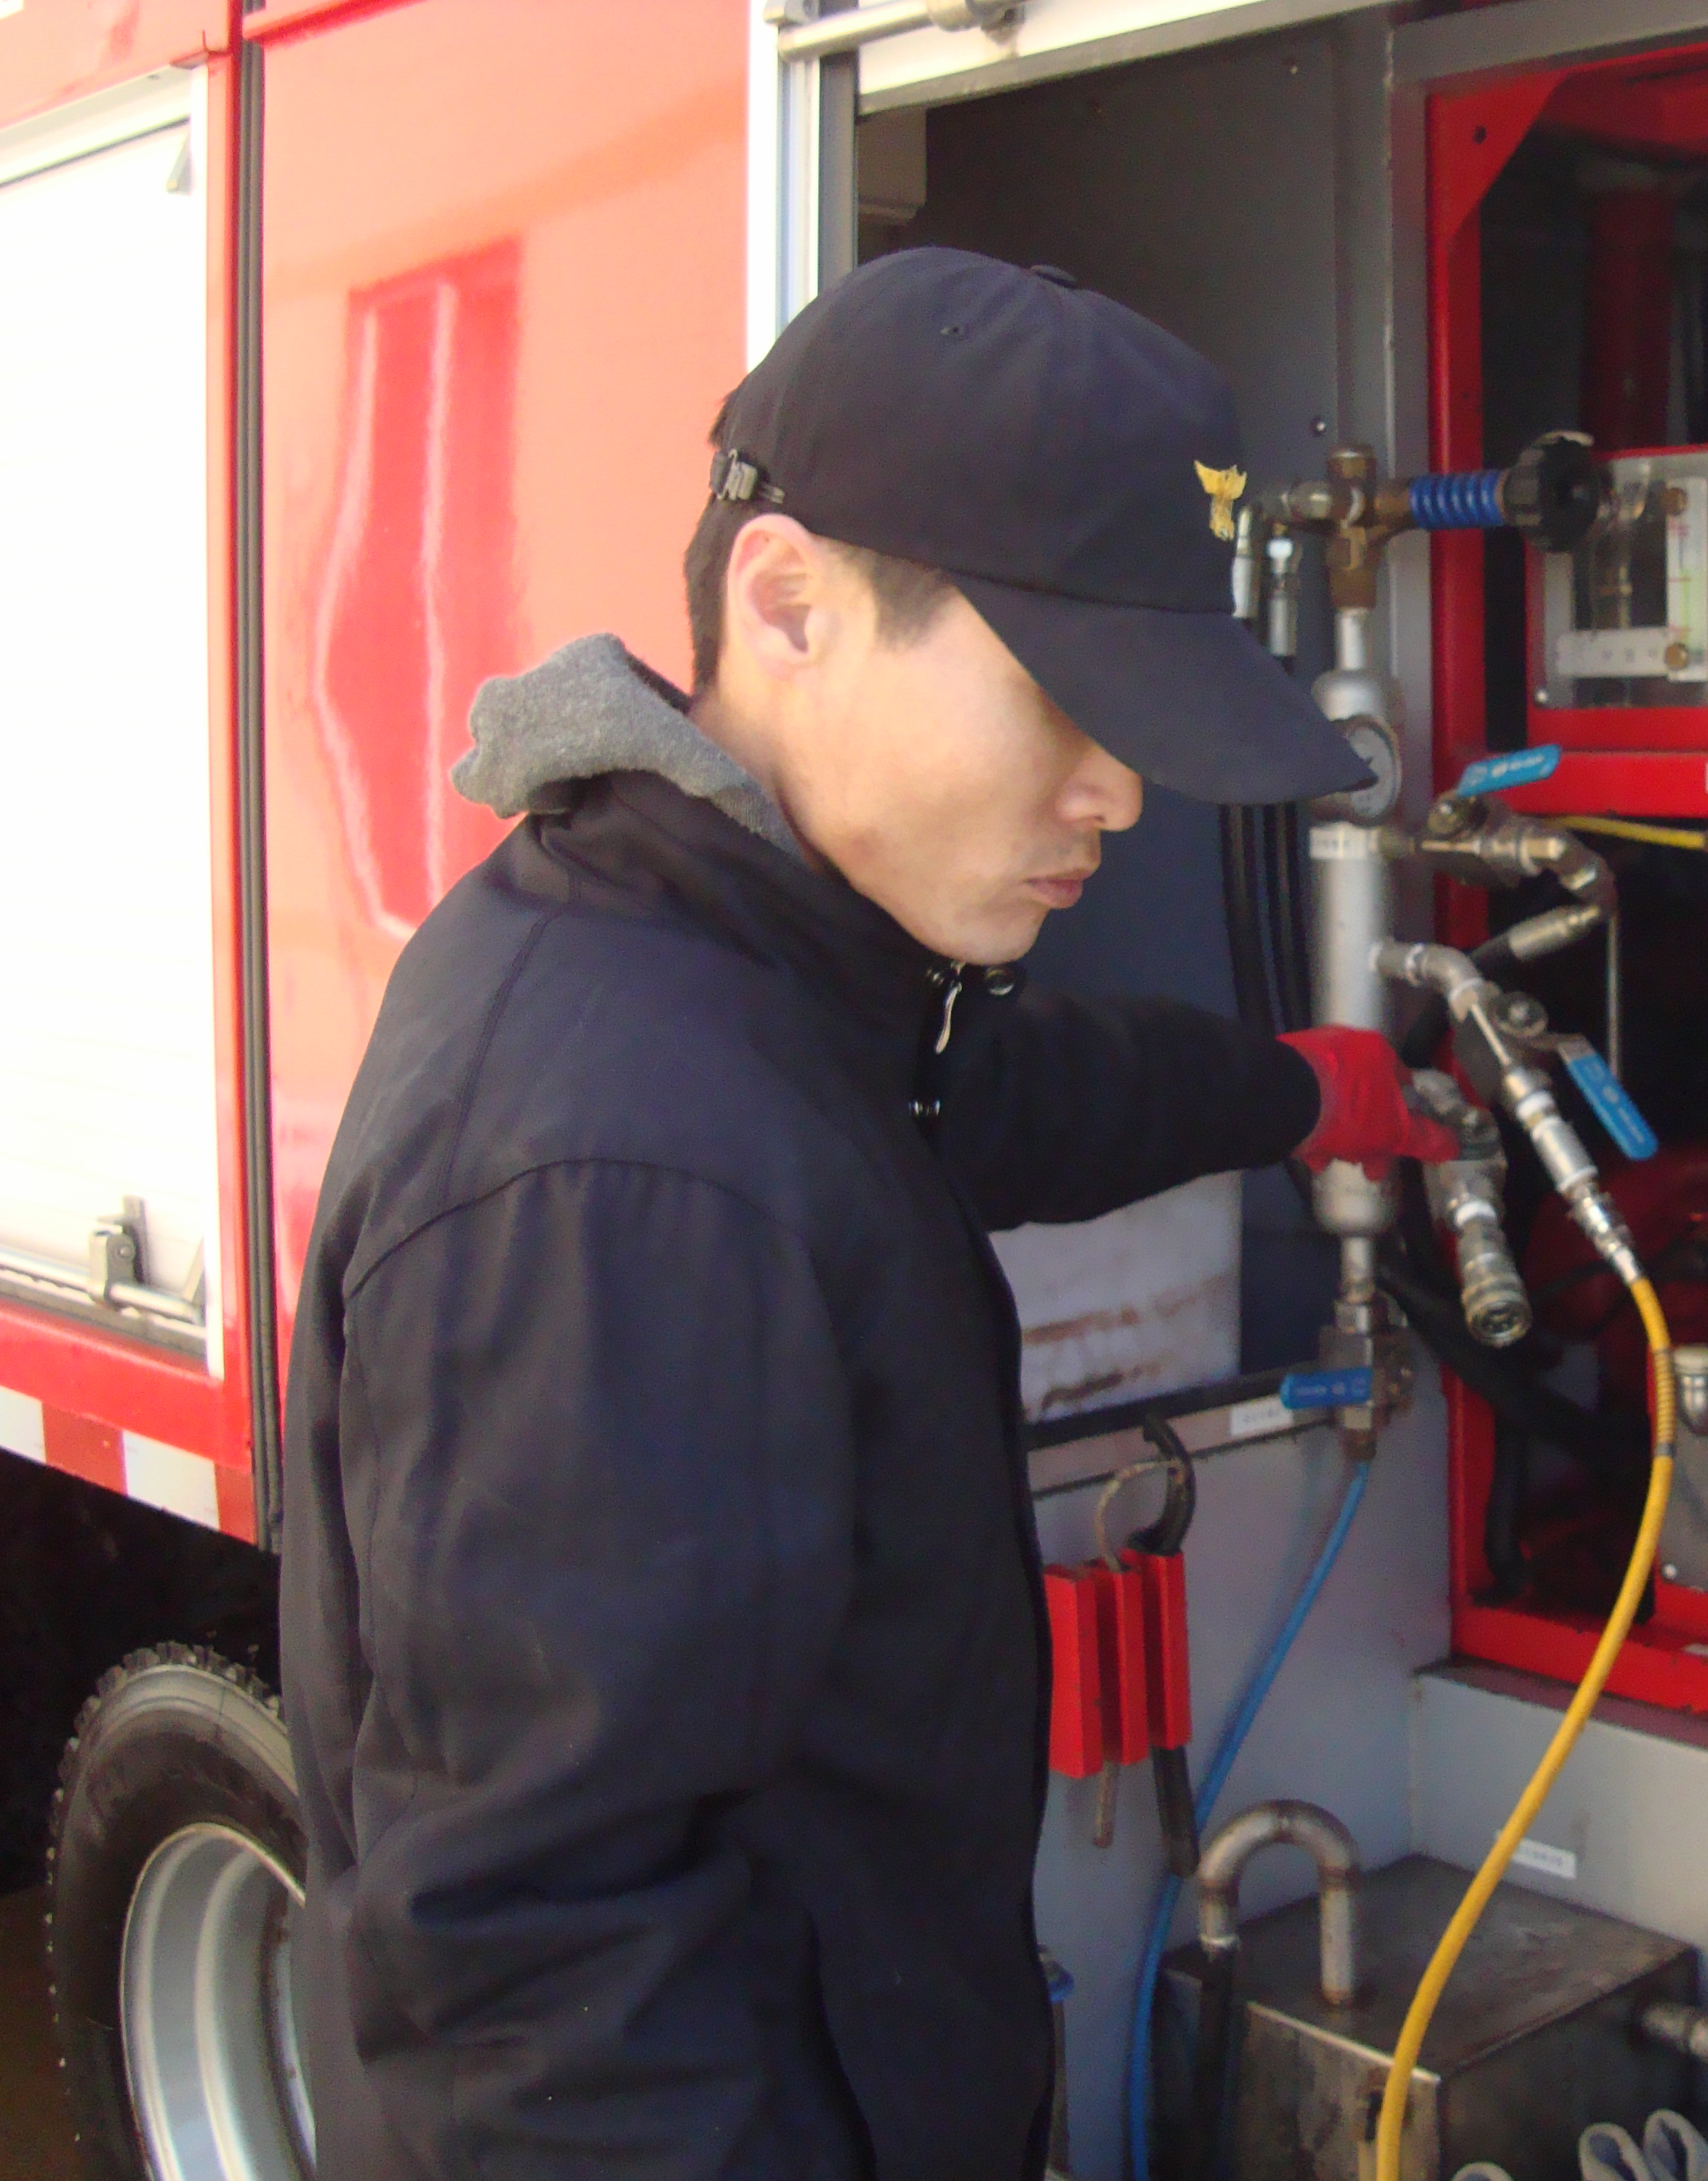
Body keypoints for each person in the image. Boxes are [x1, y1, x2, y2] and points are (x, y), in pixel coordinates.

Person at [278, 249, 1455, 2180]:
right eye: (1065, 698)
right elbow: (545, 2002)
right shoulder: (628, 1177)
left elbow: (984, 1101)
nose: (1118, 793)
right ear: (791, 603)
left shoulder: (761, 981)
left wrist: (1297, 1089)